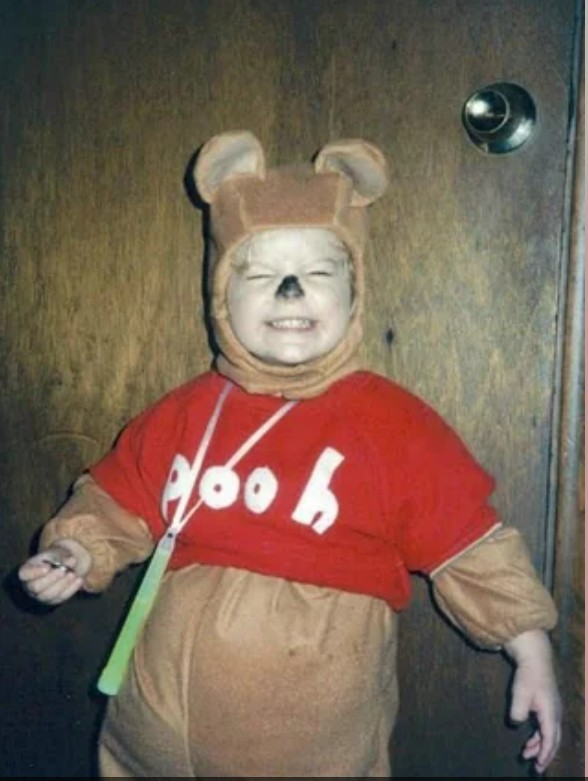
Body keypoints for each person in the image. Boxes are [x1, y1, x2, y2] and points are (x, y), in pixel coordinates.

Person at [18, 130, 561, 777]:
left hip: (310, 722)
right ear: (221, 296)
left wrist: (531, 648)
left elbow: (469, 542)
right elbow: (117, 497)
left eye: (318, 271)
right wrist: (76, 550)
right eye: (260, 273)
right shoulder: (187, 409)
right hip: (152, 719)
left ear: (355, 292)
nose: (290, 290)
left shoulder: (394, 424)